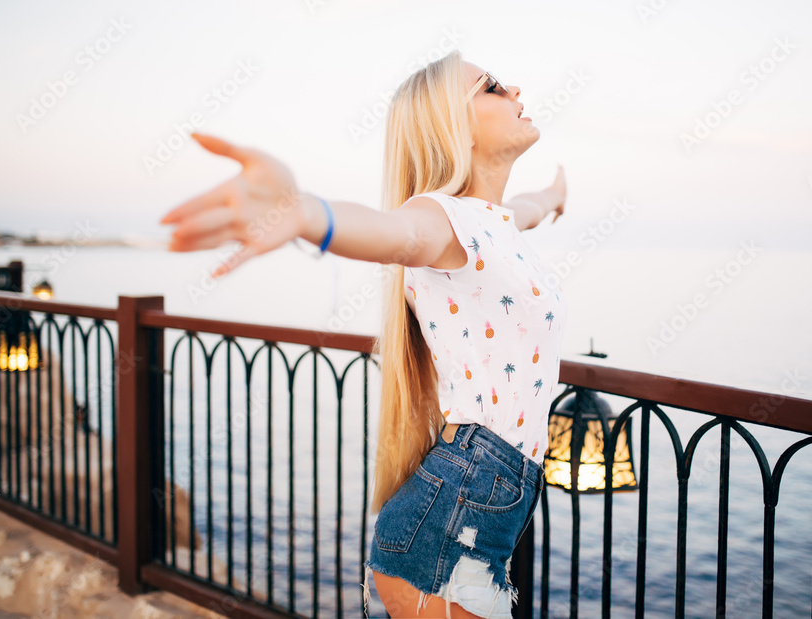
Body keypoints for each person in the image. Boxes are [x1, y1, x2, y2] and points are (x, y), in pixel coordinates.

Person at [160, 50, 567, 618]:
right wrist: (304, 213)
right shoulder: (438, 220)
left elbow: (524, 207)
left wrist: (554, 198)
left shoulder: (495, 221)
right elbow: (390, 232)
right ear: (453, 123)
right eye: (493, 86)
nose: (516, 88)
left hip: (477, 503)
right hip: (453, 522)